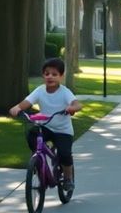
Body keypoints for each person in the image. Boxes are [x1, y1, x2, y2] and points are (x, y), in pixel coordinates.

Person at [9, 58, 83, 193]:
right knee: (32, 134)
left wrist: (72, 108)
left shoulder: (65, 92)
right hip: (46, 126)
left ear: (61, 76)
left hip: (63, 130)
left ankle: (68, 178)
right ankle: (38, 160)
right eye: (47, 73)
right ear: (43, 75)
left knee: (65, 153)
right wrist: (17, 107)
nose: (50, 77)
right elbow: (27, 102)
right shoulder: (40, 90)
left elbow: (78, 104)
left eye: (54, 74)